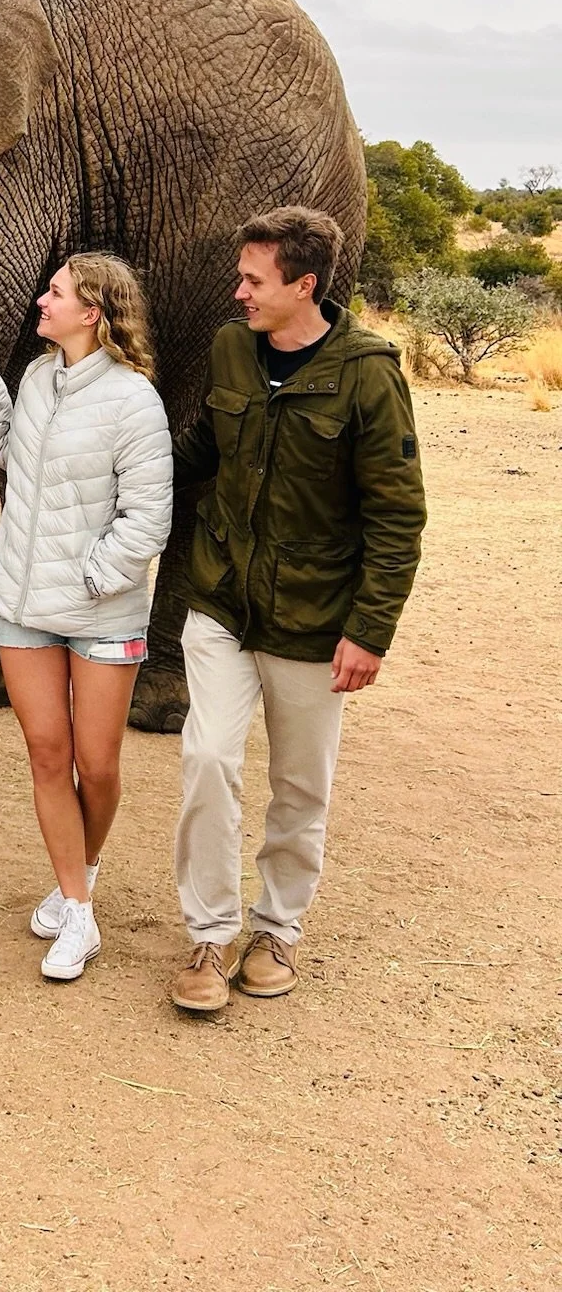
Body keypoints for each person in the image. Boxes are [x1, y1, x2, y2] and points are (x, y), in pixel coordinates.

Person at [168, 206, 426, 1014]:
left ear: (303, 285)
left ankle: (276, 928)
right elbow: (197, 455)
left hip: (317, 621)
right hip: (221, 601)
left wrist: (370, 630)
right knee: (208, 758)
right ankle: (208, 935)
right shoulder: (228, 351)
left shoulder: (369, 372)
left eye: (253, 279)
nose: (237, 291)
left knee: (299, 784)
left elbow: (396, 515)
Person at [0, 255, 173, 982]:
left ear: (93, 312)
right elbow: (17, 459)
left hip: (100, 610)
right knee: (48, 755)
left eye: (54, 292)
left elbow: (148, 519)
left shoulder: (135, 401)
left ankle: (83, 868)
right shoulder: (38, 379)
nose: (40, 301)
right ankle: (77, 911)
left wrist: (93, 578)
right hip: (22, 606)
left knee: (98, 764)